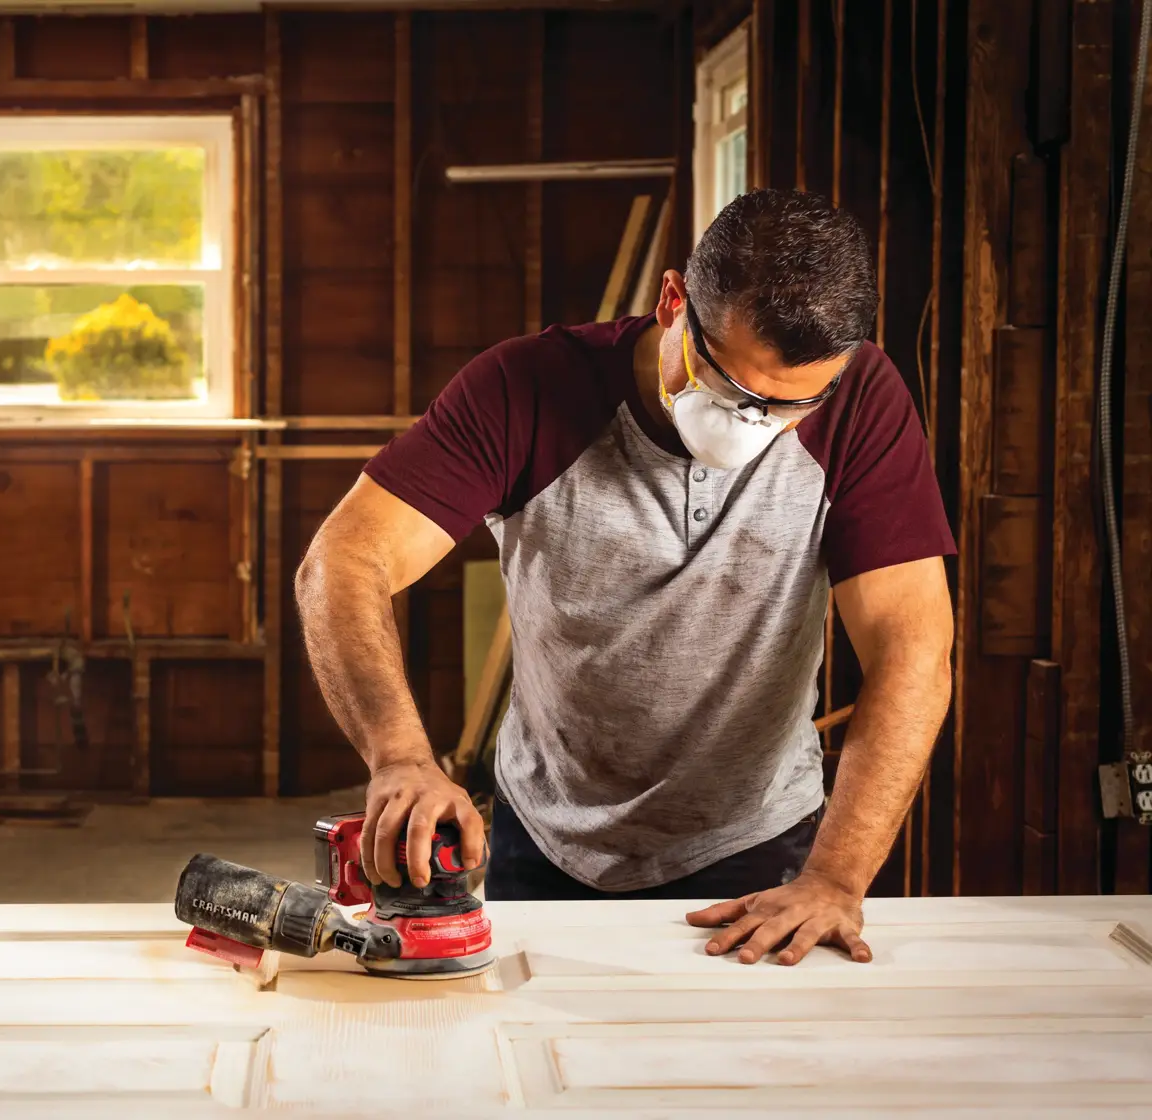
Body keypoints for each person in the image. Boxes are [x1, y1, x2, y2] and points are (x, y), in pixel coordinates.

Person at [294, 189, 955, 966]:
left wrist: (837, 878)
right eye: (732, 390)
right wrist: (399, 756)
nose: (754, 424)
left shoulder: (861, 401)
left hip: (755, 842)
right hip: (546, 837)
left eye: (788, 406)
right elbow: (343, 559)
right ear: (673, 302)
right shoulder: (526, 389)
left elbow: (912, 648)